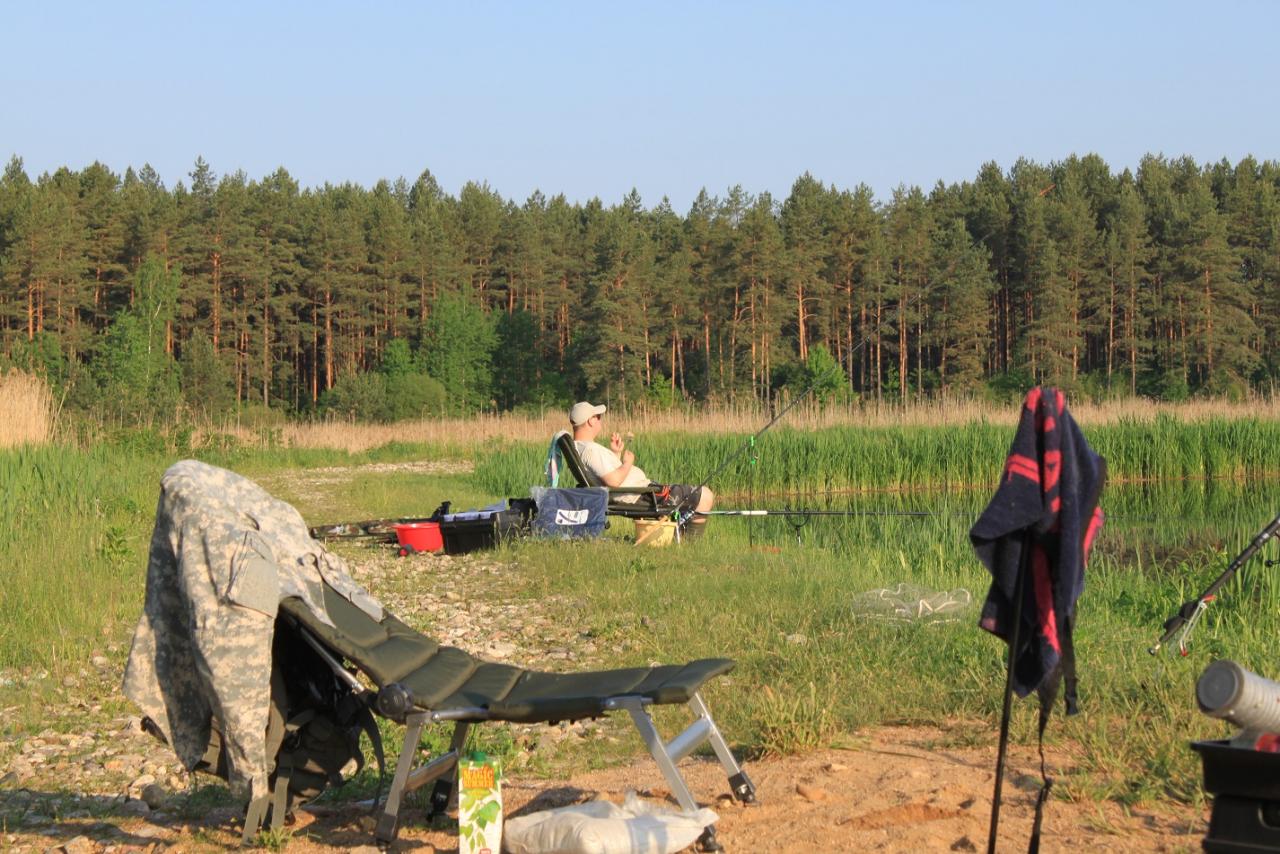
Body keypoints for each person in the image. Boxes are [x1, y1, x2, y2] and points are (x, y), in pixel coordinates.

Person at [568, 401, 715, 537]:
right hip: (642, 495)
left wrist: (615, 453)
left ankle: (674, 538)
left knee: (695, 496)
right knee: (705, 495)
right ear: (591, 421)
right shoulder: (590, 450)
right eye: (598, 417)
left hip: (641, 492)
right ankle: (689, 542)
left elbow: (605, 477)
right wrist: (627, 463)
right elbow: (613, 482)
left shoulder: (581, 448)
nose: (600, 420)